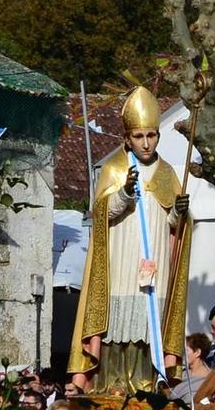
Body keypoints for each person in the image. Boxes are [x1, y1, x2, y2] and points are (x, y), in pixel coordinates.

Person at [67, 85, 191, 392]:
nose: (146, 143)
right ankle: (110, 385)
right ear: (127, 138)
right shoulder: (113, 169)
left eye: (152, 135)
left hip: (155, 265)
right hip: (120, 261)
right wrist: (123, 193)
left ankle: (147, 386)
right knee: (117, 325)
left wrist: (179, 211)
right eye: (139, 136)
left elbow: (175, 226)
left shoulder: (168, 173)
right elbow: (100, 215)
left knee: (148, 327)